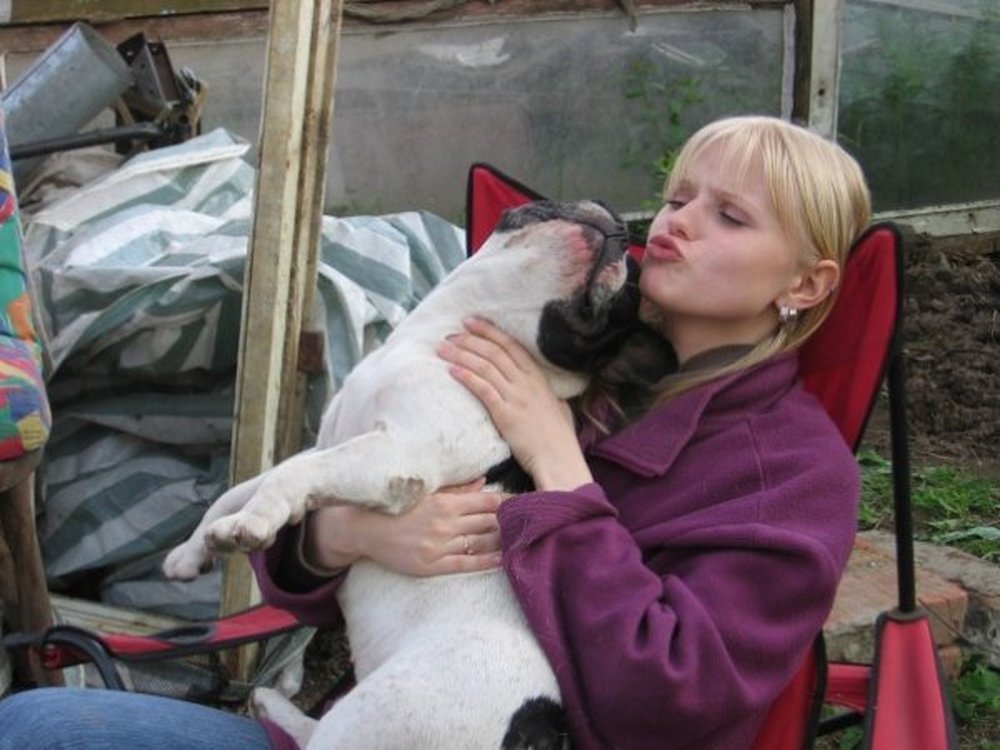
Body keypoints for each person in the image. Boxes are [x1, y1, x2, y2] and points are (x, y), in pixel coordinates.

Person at [0, 114, 871, 750]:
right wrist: (345, 536)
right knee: (38, 725)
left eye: (729, 216)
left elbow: (671, 696)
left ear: (805, 284)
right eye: (679, 196)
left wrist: (559, 467)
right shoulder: (557, 345)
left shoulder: (794, 475)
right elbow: (314, 570)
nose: (677, 222)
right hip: (381, 719)